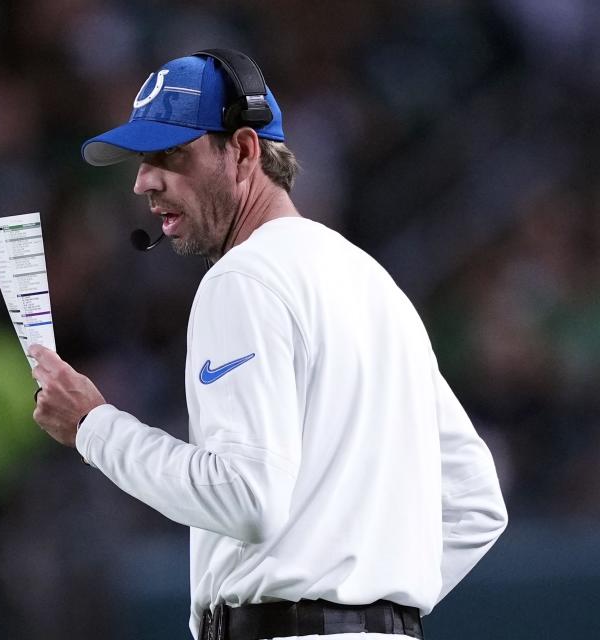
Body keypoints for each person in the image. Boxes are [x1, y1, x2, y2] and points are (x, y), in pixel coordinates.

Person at [29, 49, 507, 640]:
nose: (143, 180)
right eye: (142, 159)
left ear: (245, 150)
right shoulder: (375, 283)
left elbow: (245, 497)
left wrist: (93, 427)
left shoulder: (243, 279)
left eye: (171, 154)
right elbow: (476, 504)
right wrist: (370, 598)